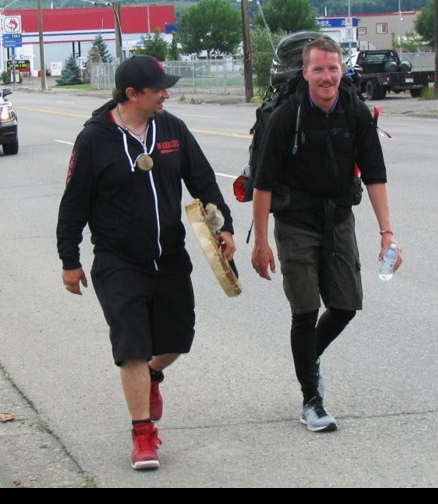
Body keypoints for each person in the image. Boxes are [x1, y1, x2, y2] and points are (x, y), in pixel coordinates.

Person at [56, 54, 237, 471]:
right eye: (159, 89)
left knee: (176, 340)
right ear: (133, 94)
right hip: (119, 261)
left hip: (169, 257)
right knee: (132, 346)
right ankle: (143, 435)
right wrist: (70, 259)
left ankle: (153, 376)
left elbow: (203, 178)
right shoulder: (94, 139)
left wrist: (223, 225)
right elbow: (73, 205)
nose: (167, 95)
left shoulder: (171, 128)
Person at [250, 36, 402, 433]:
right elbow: (263, 183)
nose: (326, 76)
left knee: (346, 304)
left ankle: (308, 361)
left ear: (341, 71)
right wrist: (262, 241)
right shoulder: (287, 117)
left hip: (338, 221)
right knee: (304, 309)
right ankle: (311, 400)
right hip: (296, 222)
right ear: (305, 72)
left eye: (332, 68)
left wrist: (388, 233)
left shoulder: (355, 112)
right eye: (318, 69)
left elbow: (375, 174)